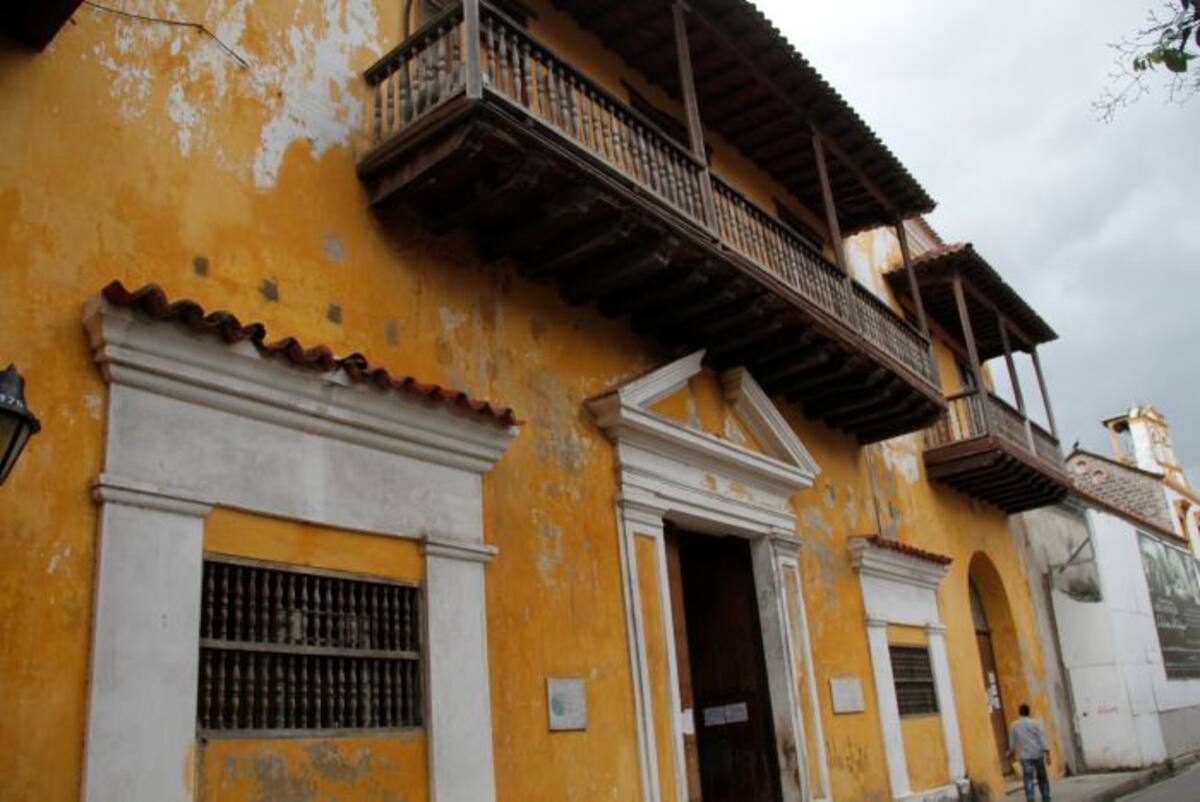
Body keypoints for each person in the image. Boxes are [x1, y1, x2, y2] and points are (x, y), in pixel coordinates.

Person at [1008, 703, 1051, 801]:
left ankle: (1030, 797)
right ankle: (1046, 797)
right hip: (1038, 754)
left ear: (1019, 712)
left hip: (1025, 756)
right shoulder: (1036, 723)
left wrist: (1010, 752)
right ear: (1029, 712)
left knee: (1028, 778)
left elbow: (1012, 744)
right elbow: (1042, 739)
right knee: (1042, 777)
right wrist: (1047, 753)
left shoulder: (1014, 725)